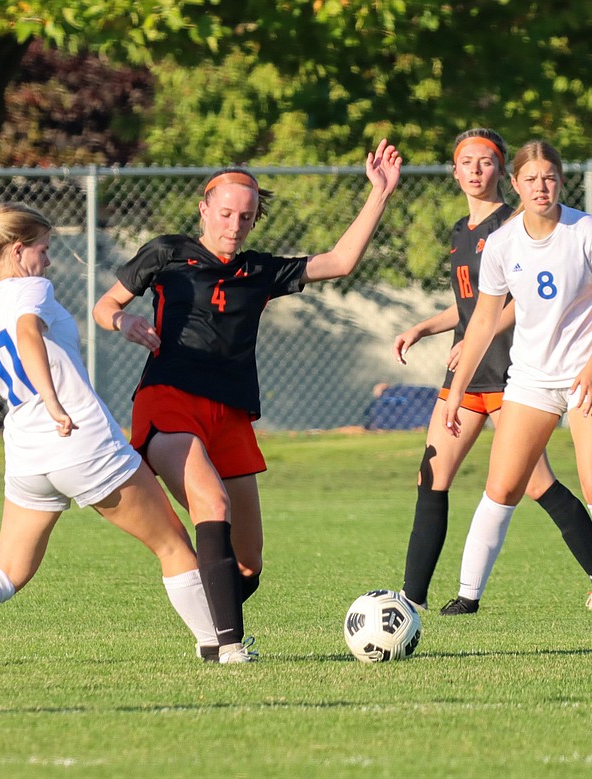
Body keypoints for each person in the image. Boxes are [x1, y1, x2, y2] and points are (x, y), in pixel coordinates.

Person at [94, 139, 404, 662]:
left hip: (230, 415)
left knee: (247, 565)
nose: (234, 225)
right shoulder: (166, 253)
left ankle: (209, 629)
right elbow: (106, 305)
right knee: (210, 506)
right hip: (169, 402)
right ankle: (228, 647)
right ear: (204, 209)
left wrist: (379, 194)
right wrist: (124, 320)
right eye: (225, 213)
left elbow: (341, 261)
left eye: (246, 216)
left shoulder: (257, 270)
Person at [0, 202, 220, 667]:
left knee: (7, 571)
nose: (47, 260)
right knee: (172, 545)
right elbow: (26, 334)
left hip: (28, 455)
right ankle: (220, 650)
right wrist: (55, 401)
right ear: (18, 252)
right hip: (79, 439)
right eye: (43, 249)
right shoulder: (31, 288)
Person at [394, 129, 592, 616]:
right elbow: (471, 307)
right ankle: (411, 598)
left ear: (504, 173)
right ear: (453, 171)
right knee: (431, 474)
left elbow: (513, 304)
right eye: (465, 162)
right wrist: (427, 327)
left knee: (535, 485)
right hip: (468, 373)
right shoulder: (461, 231)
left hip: (510, 372)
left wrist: (484, 328)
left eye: (486, 161)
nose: (475, 170)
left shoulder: (517, 221)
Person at [443, 140, 592, 613]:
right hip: (531, 380)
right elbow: (482, 323)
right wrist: (456, 393)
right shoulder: (502, 243)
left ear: (561, 180)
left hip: (588, 373)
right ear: (515, 184)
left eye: (550, 177)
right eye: (531, 179)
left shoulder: (588, 230)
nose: (541, 187)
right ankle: (466, 598)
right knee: (503, 486)